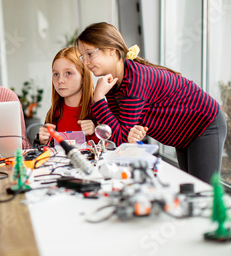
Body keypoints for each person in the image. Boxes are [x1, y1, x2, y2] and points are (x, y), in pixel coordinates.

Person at [76, 22, 225, 183]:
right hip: (183, 135)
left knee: (204, 193)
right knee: (193, 191)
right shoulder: (113, 84)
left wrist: (98, 98)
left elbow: (121, 139)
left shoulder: (136, 79)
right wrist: (101, 97)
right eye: (82, 56)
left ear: (111, 50)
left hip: (204, 125)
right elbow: (117, 135)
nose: (85, 62)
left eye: (89, 54)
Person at [37, 47, 99, 145]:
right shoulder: (54, 113)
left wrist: (95, 133)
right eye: (56, 74)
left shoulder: (99, 110)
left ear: (83, 77)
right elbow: (45, 154)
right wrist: (42, 142)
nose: (60, 80)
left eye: (68, 73)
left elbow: (112, 149)